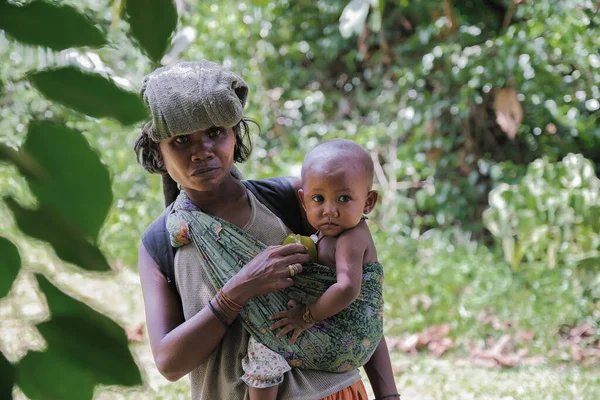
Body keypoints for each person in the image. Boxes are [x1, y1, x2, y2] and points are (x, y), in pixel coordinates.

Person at [135, 60, 399, 399]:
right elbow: (169, 363)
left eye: (215, 133)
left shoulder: (295, 200)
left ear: (235, 134)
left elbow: (361, 303)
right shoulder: (161, 242)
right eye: (182, 139)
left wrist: (388, 394)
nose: (202, 152)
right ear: (158, 149)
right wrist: (236, 293)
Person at [235, 138, 389, 400]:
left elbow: (348, 287)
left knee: (266, 343)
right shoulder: (328, 235)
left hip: (349, 338)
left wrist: (306, 316)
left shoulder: (351, 238)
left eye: (344, 198)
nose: (330, 210)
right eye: (319, 199)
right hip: (355, 339)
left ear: (368, 202)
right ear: (304, 201)